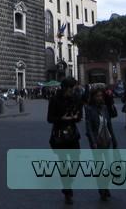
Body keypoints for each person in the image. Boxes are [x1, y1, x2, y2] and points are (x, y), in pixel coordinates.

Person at [47, 76, 83, 205]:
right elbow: (50, 118)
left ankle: (68, 181)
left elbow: (79, 115)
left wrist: (75, 117)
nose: (74, 90)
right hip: (60, 137)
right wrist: (62, 119)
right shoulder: (55, 100)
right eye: (72, 88)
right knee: (63, 164)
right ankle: (67, 191)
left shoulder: (75, 99)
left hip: (73, 135)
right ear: (66, 88)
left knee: (76, 162)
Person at [85, 86, 118, 201]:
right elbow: (88, 127)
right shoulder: (88, 108)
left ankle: (105, 185)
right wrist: (92, 142)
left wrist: (114, 139)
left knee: (109, 167)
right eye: (97, 96)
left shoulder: (104, 108)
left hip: (106, 141)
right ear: (93, 97)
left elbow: (109, 124)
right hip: (96, 143)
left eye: (101, 96)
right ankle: (101, 189)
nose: (99, 98)